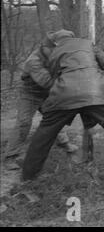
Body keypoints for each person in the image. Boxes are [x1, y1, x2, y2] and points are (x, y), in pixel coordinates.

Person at [21, 30, 104, 181]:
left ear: (56, 42)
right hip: (96, 92)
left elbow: (51, 79)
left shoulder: (54, 52)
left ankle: (28, 176)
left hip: (64, 94)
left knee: (44, 133)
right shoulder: (87, 44)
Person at [3, 33, 78, 170]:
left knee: (55, 117)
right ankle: (10, 156)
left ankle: (63, 143)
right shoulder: (34, 60)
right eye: (55, 49)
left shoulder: (60, 56)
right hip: (30, 94)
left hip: (48, 93)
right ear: (45, 46)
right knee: (23, 122)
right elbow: (47, 82)